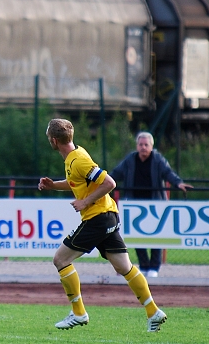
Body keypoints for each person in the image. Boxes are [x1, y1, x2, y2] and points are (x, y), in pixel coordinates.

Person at [38, 119, 167, 332]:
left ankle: (79, 313)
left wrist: (85, 202)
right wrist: (54, 186)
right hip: (108, 216)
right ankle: (153, 312)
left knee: (60, 259)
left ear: (53, 140)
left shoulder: (78, 160)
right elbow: (78, 182)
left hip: (97, 218)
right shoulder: (75, 155)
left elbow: (110, 183)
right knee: (124, 267)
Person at [110, 131, 192, 278]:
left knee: (156, 236)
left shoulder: (157, 159)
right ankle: (144, 266)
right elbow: (116, 174)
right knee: (137, 236)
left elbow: (168, 173)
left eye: (146, 145)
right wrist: (102, 182)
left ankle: (154, 267)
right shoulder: (130, 159)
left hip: (155, 204)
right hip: (135, 205)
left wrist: (178, 183)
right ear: (137, 145)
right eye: (140, 144)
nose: (143, 147)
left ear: (151, 146)